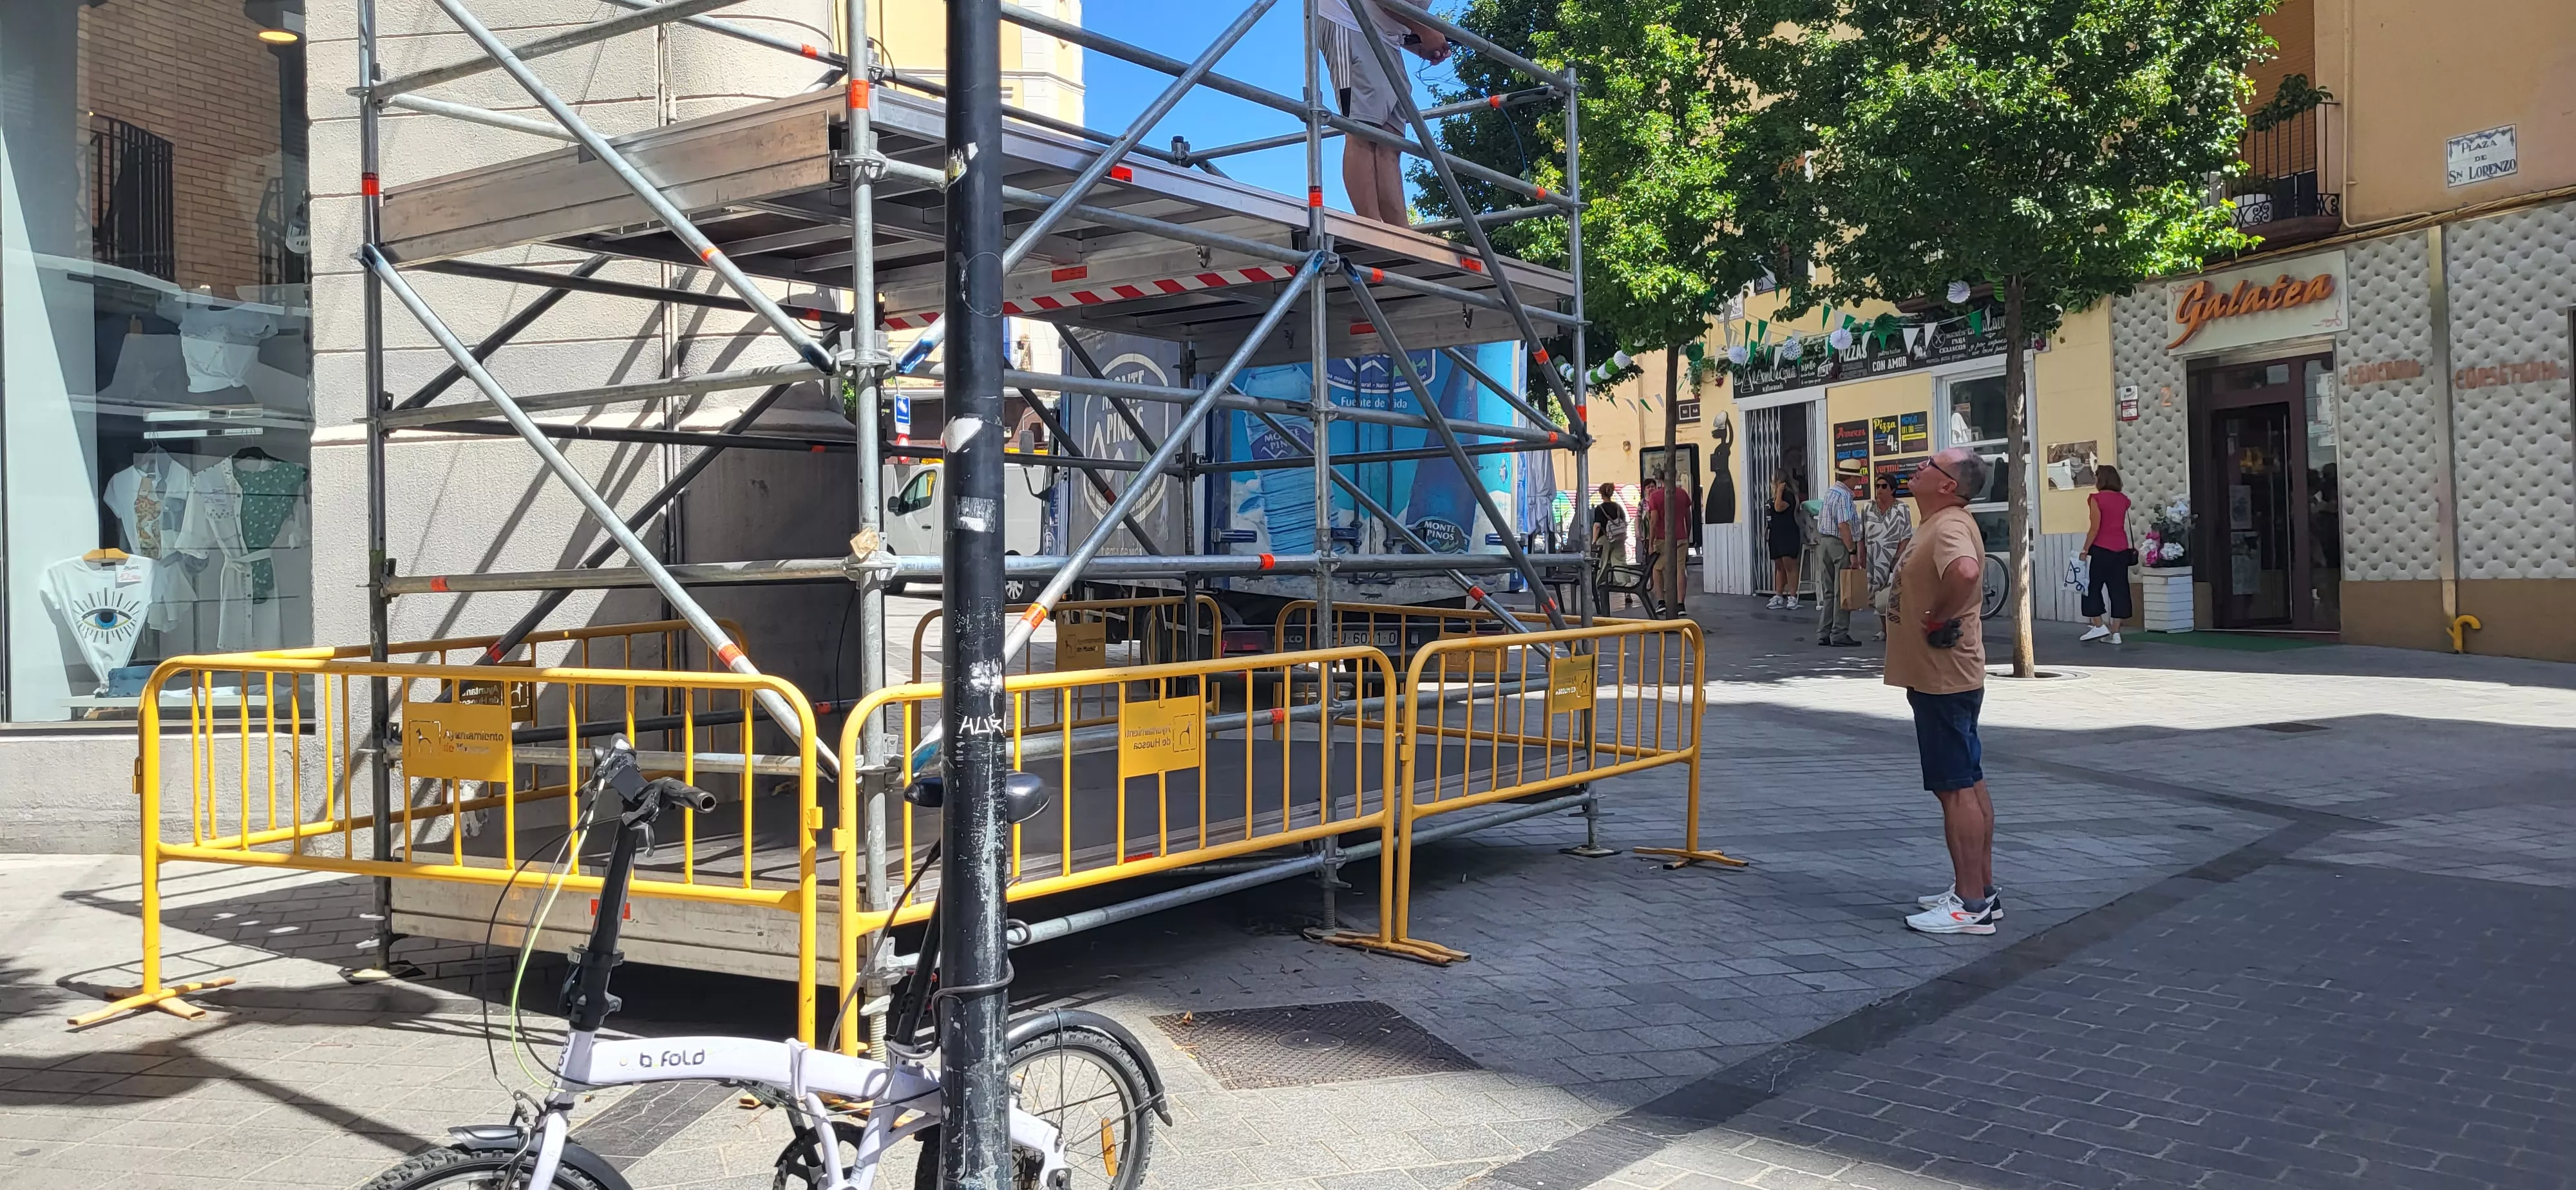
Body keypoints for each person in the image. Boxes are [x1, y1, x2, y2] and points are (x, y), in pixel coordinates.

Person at [1890, 448, 2000, 936]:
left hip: (1944, 676)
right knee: (1967, 780)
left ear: (1948, 485)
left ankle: (1970, 905)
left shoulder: (1950, 524)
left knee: (1955, 787)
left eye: (1929, 465)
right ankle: (1980, 889)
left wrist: (1937, 617)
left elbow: (1966, 572)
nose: (1918, 468)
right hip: (1943, 675)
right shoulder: (1940, 521)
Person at [1318, 0, 1451, 224]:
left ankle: (1399, 232)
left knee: (1391, 140)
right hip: (1349, 20)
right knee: (1363, 129)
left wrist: (1417, 42)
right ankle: (1371, 226)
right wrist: (1424, 30)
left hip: (1385, 36)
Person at [2081, 464, 2134, 643]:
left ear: (2101, 479)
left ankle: (2099, 626)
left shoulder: (2096, 499)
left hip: (2101, 549)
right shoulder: (2124, 500)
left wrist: (2085, 549)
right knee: (2119, 589)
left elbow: (2095, 528)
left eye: (2097, 477)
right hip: (2121, 550)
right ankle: (2116, 633)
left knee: (2091, 587)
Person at [1859, 472, 1915, 642]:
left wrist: (1897, 558)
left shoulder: (1902, 509)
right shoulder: (1868, 508)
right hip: (1873, 559)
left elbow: (1906, 536)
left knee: (1894, 595)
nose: (1879, 490)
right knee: (1877, 596)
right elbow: (1861, 534)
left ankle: (1896, 629)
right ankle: (1884, 629)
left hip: (1892, 559)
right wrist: (1861, 554)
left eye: (1884, 486)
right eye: (1877, 486)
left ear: (1893, 490)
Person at [1815, 460, 1863, 647]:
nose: (1857, 482)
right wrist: (1852, 551)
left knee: (1829, 592)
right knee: (1842, 591)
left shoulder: (1831, 492)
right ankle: (1839, 633)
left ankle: (1824, 632)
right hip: (1838, 544)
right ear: (1850, 478)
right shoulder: (1844, 495)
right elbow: (1844, 526)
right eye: (1856, 478)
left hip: (1824, 542)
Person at [1644, 474, 1687, 617]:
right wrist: (1687, 533)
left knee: (1657, 568)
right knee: (1680, 569)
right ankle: (1681, 604)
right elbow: (1689, 517)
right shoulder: (1682, 494)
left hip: (1662, 538)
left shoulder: (1655, 497)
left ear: (1660, 480)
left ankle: (1661, 602)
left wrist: (1651, 543)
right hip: (1681, 536)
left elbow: (1654, 521)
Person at [1765, 472, 1804, 609]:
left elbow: (1778, 508)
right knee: (1779, 566)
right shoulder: (1774, 497)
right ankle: (1779, 595)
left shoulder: (1788, 496)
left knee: (1790, 566)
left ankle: (1792, 596)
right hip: (1775, 535)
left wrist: (1781, 491)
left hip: (1788, 534)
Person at [1589, 482, 1628, 612]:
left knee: (1602, 564)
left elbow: (1597, 526)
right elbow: (1624, 522)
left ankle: (1598, 591)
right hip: (1618, 539)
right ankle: (1627, 590)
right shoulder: (1618, 507)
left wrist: (1594, 542)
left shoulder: (1599, 508)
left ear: (1601, 494)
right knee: (1620, 564)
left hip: (1604, 540)